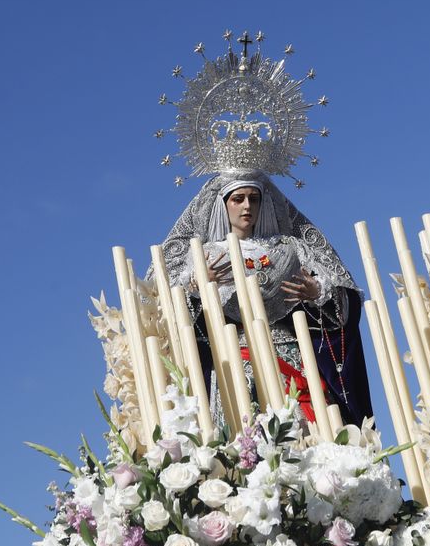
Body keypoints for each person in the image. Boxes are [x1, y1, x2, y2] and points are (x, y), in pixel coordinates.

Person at [158, 170, 372, 429]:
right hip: (235, 357)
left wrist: (317, 293)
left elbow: (341, 300)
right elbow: (167, 309)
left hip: (292, 353)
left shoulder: (290, 248)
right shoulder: (204, 256)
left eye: (254, 198)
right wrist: (196, 285)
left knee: (304, 431)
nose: (247, 206)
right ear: (222, 204)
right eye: (238, 199)